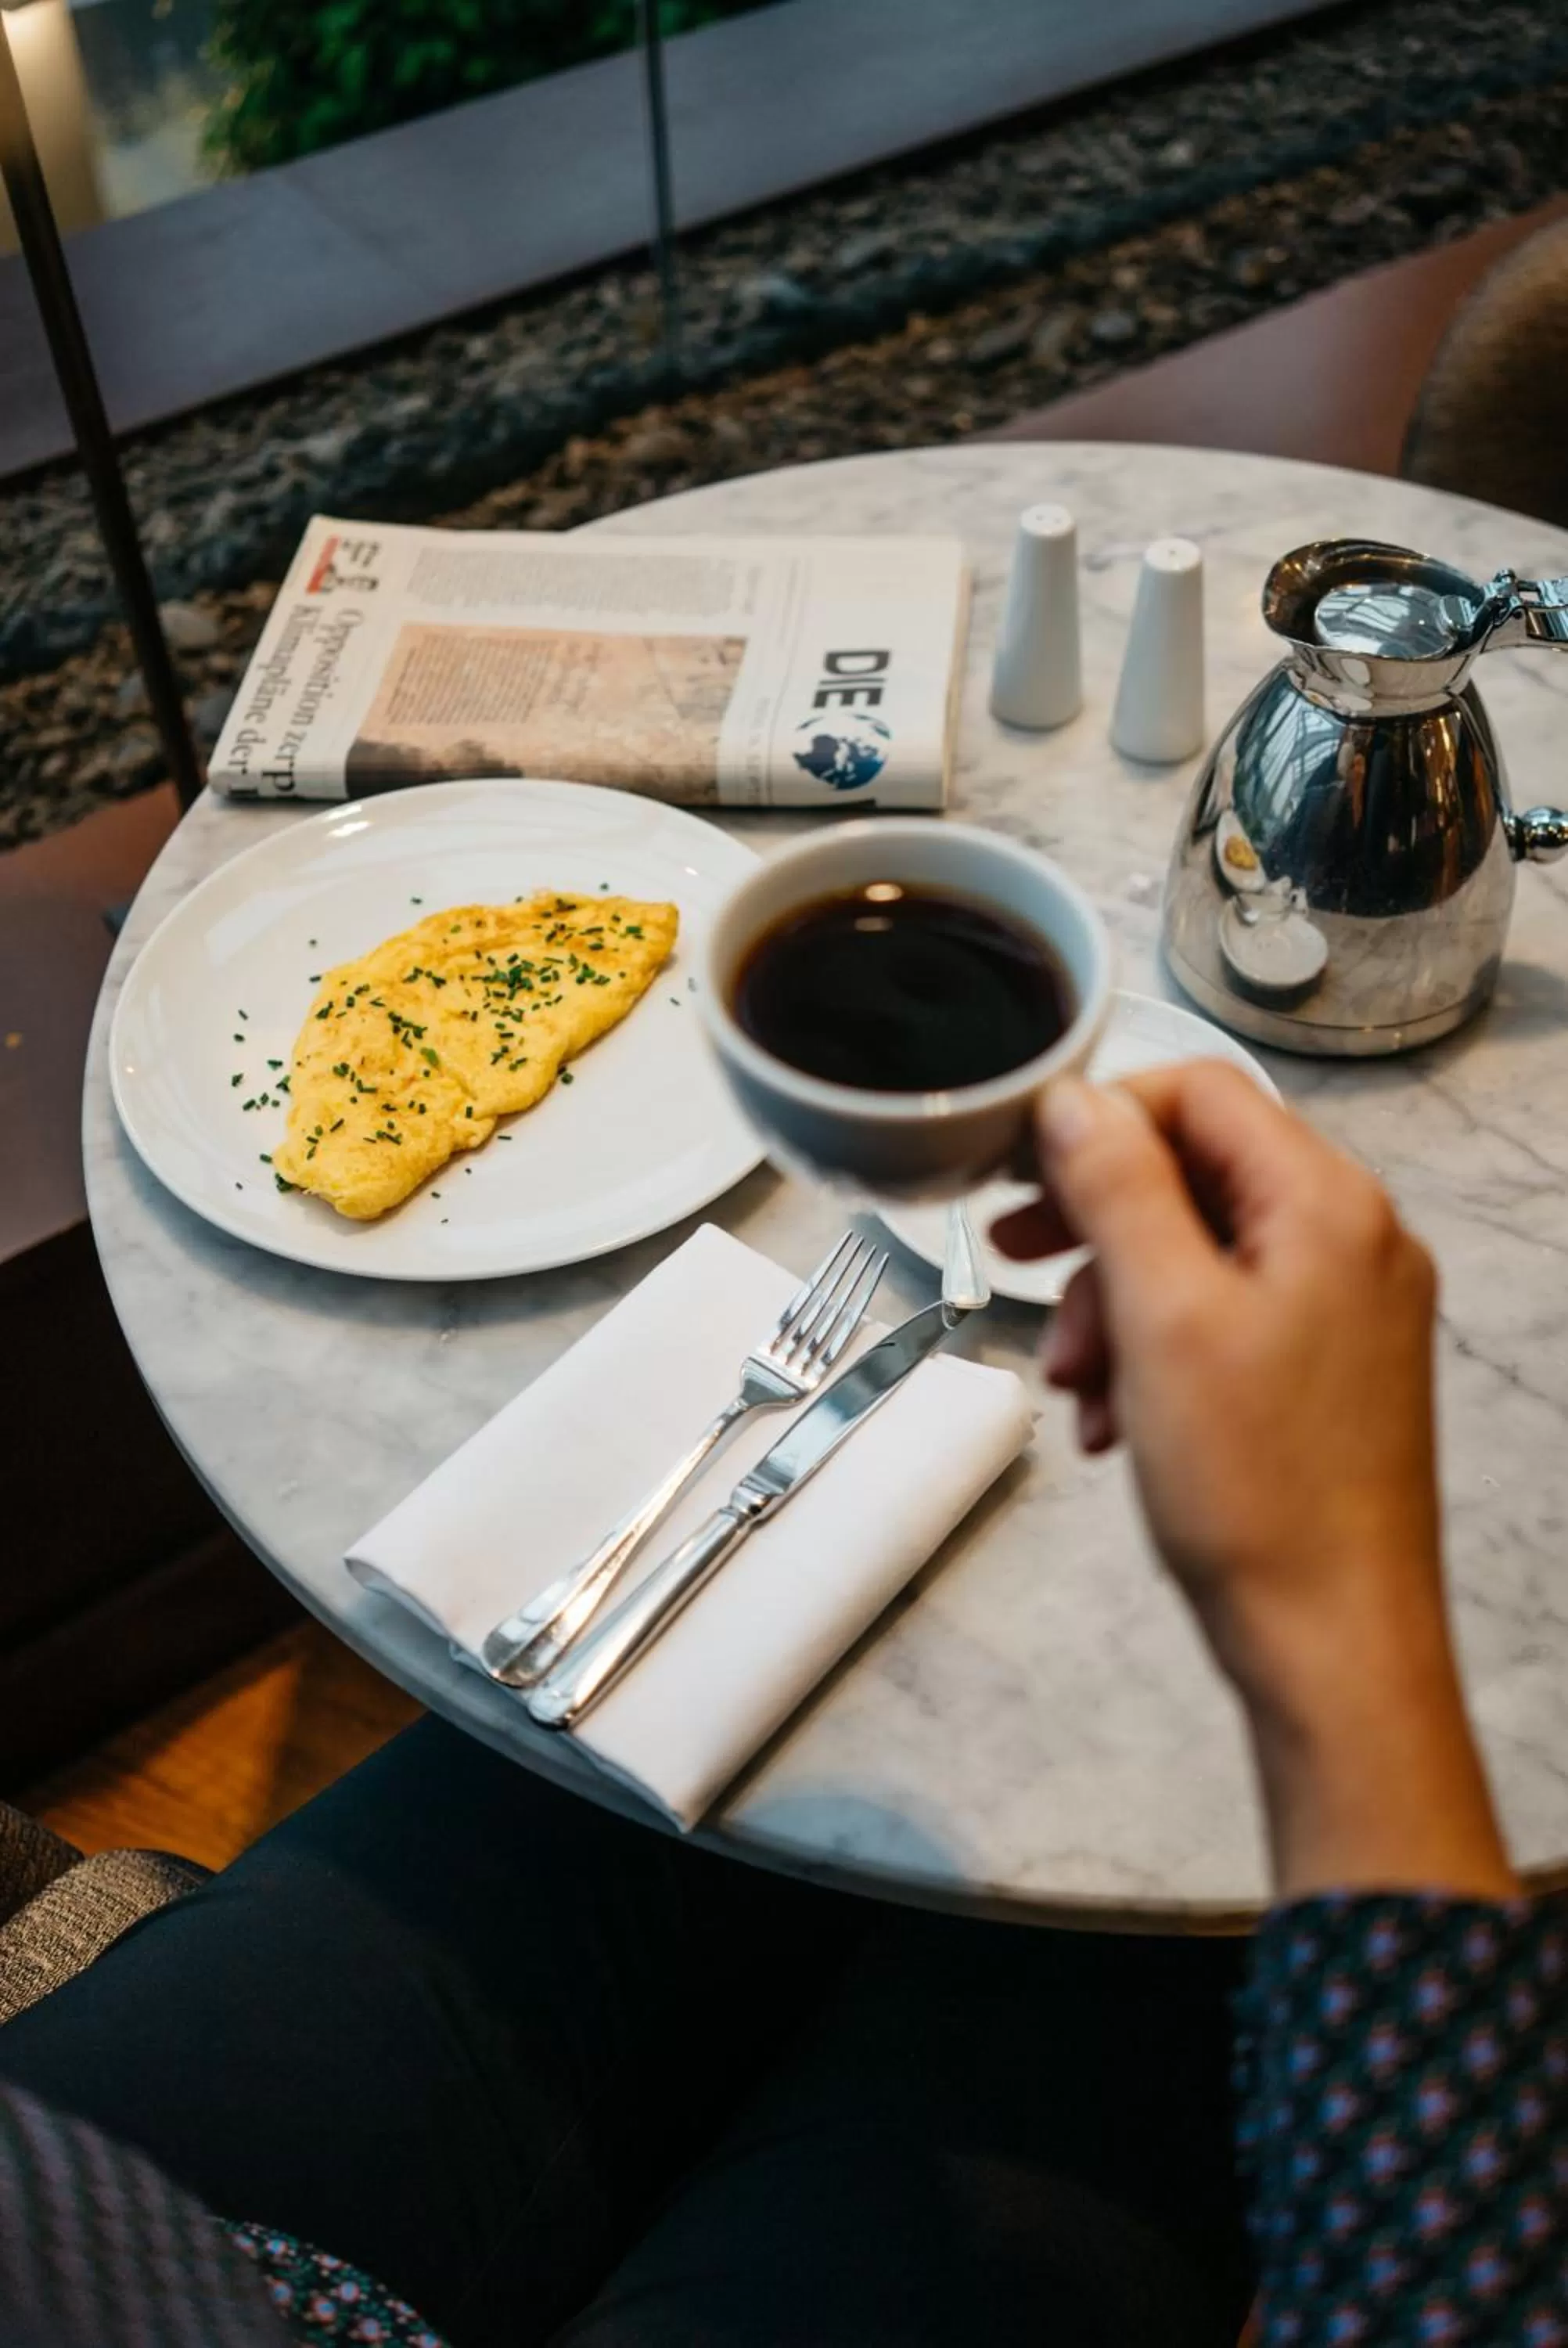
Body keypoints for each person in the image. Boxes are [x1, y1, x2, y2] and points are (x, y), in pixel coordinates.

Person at [0, 1065, 1559, 2346]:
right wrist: (1352, 1625)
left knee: (813, 1741)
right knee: (1146, 1919)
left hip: (127, 2227)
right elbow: (1436, 2286)